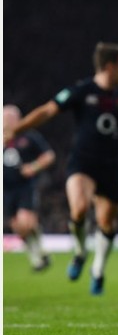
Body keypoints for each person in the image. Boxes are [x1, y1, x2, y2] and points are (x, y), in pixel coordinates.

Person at [3, 42, 118, 295]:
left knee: (106, 222)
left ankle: (98, 269)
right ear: (109, 66)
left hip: (110, 167)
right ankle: (80, 252)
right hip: (82, 163)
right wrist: (17, 129)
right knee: (79, 209)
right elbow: (48, 110)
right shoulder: (81, 91)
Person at [3, 104, 56, 271]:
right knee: (18, 227)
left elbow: (49, 156)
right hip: (5, 189)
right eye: (4, 118)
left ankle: (39, 252)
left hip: (25, 186)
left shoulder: (29, 136)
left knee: (26, 222)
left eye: (10, 118)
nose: (7, 122)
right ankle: (38, 258)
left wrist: (33, 167)